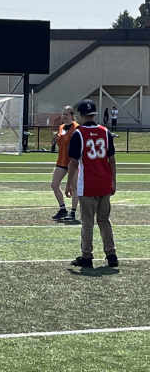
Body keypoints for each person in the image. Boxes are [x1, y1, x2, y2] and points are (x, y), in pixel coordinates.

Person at [65, 99, 118, 268]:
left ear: (80, 115)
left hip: (88, 183)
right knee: (104, 220)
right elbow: (112, 160)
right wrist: (113, 182)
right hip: (104, 183)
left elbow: (73, 162)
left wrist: (68, 184)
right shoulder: (105, 132)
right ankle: (111, 255)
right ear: (94, 114)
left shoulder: (78, 134)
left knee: (87, 222)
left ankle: (87, 255)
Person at [51, 106, 80, 222]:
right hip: (62, 160)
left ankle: (73, 212)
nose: (64, 116)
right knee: (54, 184)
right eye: (63, 114)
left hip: (73, 162)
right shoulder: (61, 127)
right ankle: (62, 209)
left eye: (66, 114)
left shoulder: (77, 128)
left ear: (72, 116)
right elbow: (61, 145)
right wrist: (56, 139)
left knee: (75, 187)